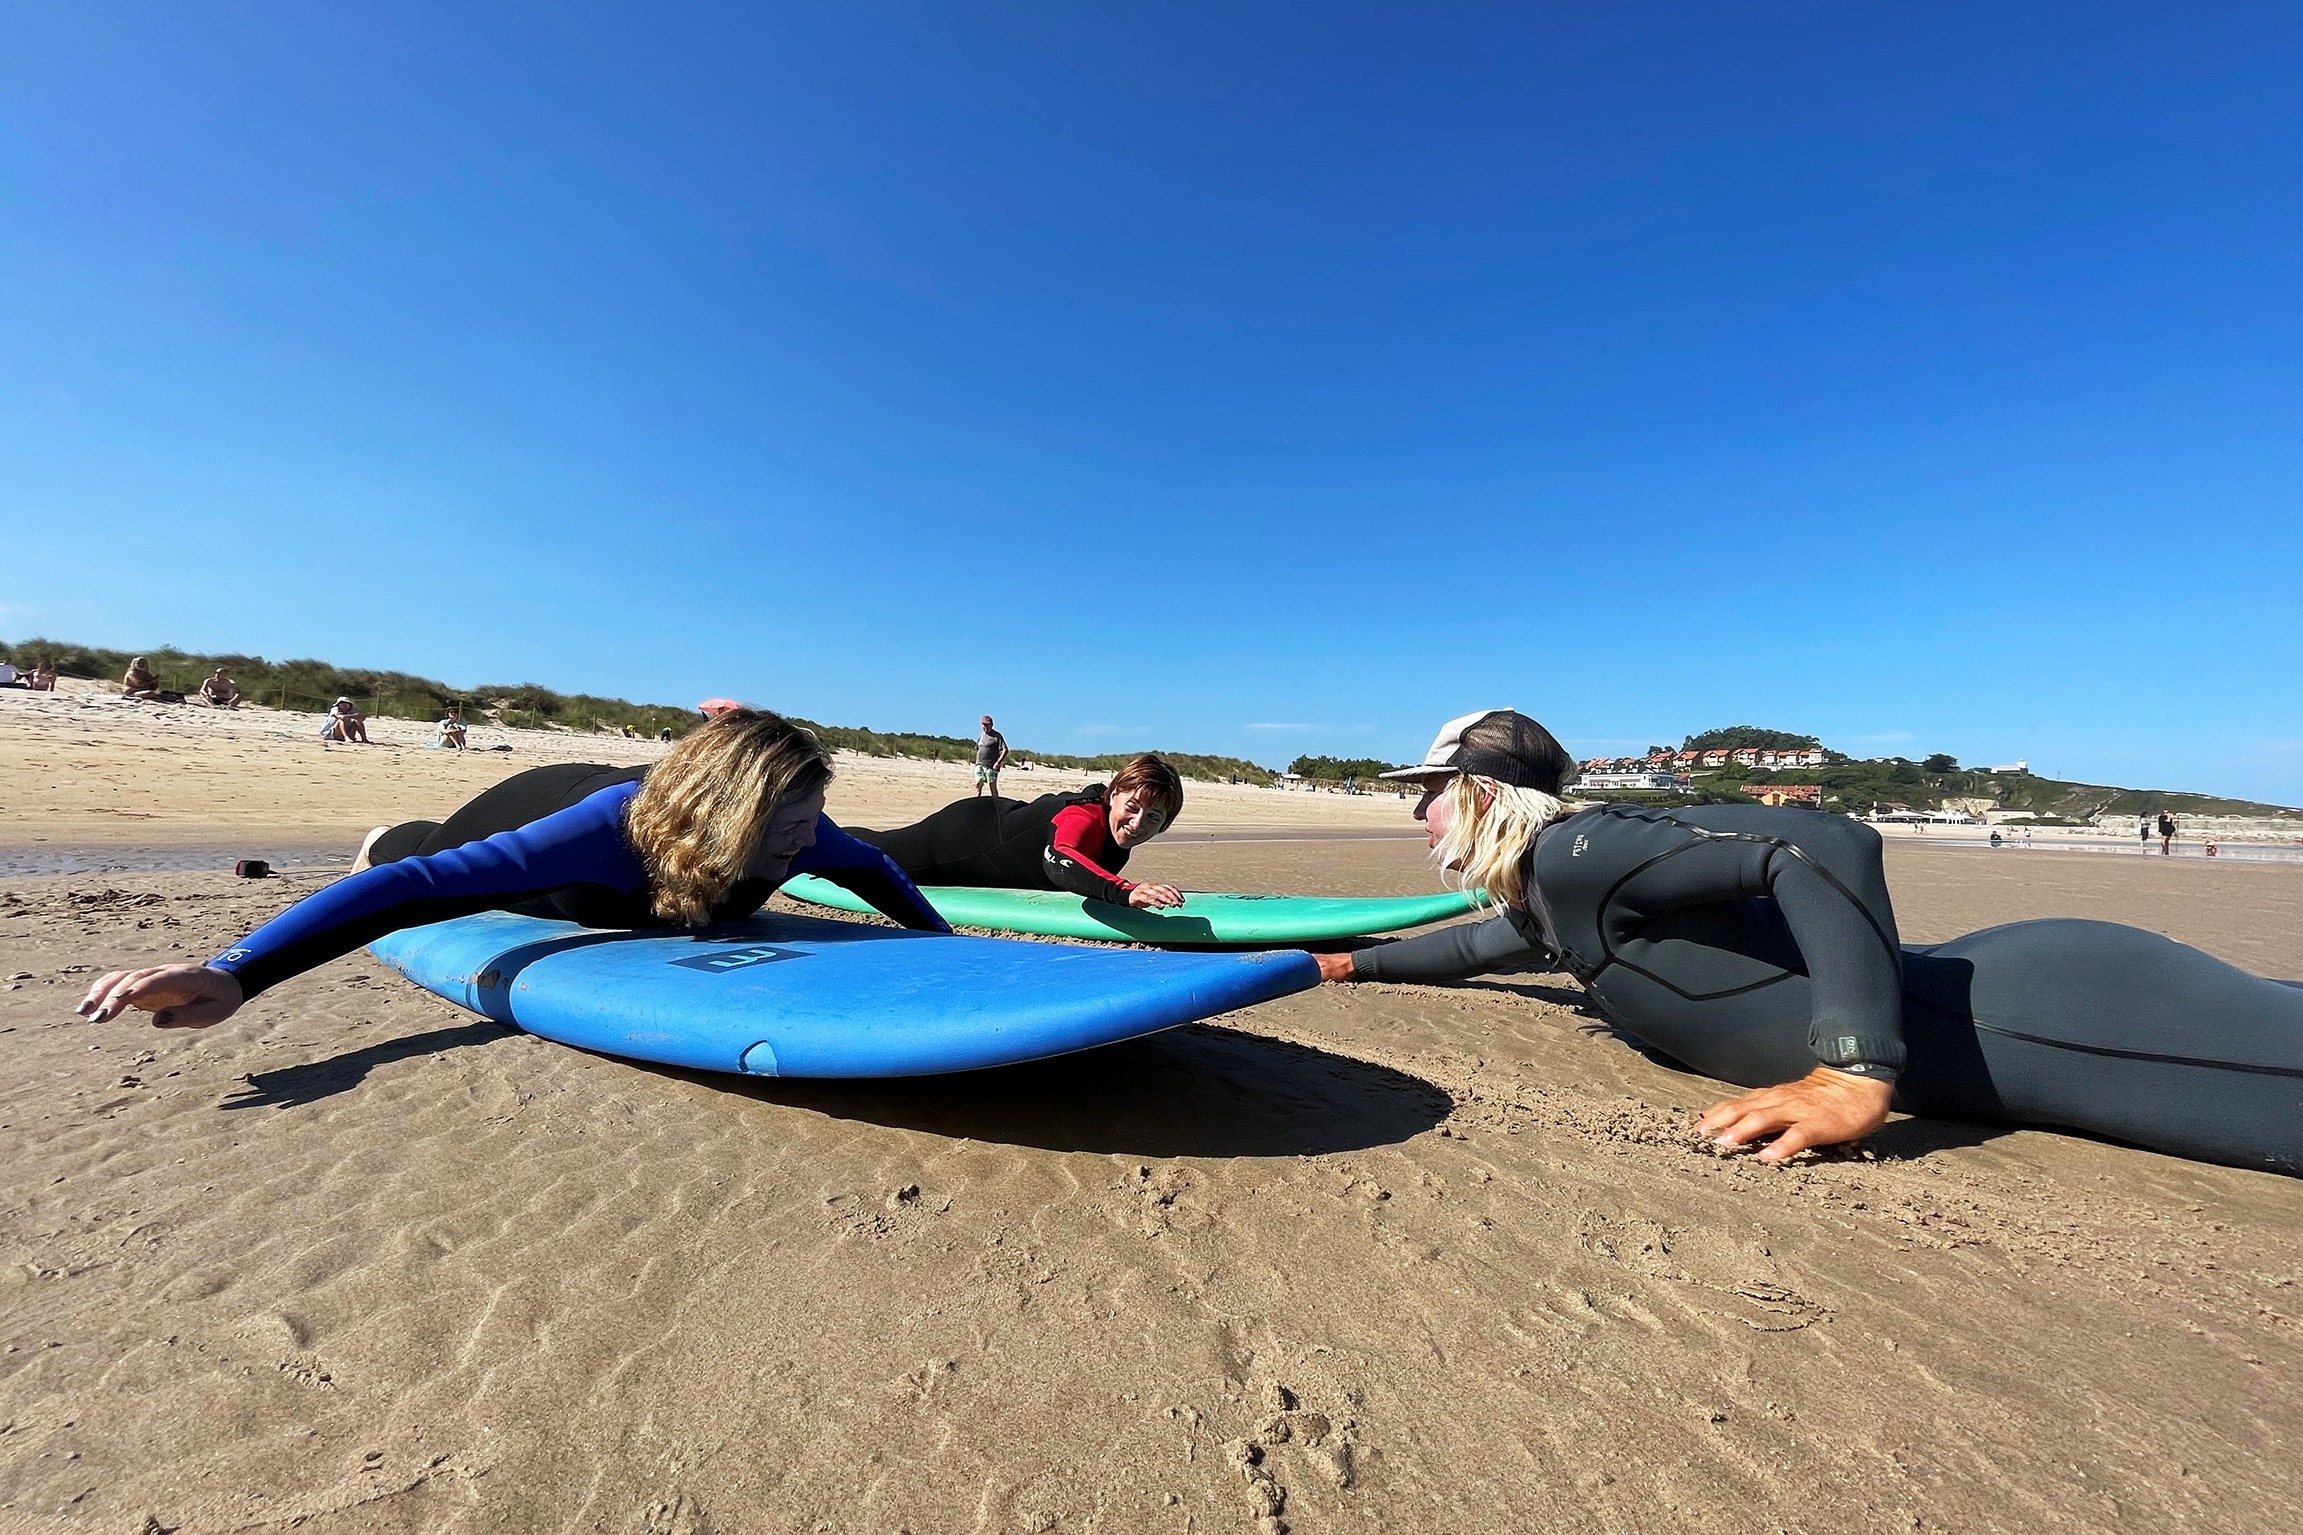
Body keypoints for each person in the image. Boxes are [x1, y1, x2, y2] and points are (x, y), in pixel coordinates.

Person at [1310, 709, 2301, 1175]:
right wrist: (1342, 962)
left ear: (1480, 790)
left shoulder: (1580, 847)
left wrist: (1851, 1067)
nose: (1416, 815)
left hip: (2040, 1019)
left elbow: (1819, 840)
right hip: (2001, 1015)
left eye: (1425, 794)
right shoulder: (1544, 894)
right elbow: (1479, 948)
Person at [76, 709, 951, 1031]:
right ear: (727, 819)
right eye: (790, 831)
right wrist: (236, 974)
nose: (808, 847)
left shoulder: (801, 831)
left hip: (661, 811)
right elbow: (406, 896)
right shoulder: (602, 835)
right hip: (539, 803)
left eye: (811, 825)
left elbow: (871, 865)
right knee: (433, 857)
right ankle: (388, 826)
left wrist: (940, 944)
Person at [855, 753, 1188, 911]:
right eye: (1132, 806)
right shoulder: (1084, 816)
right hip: (964, 839)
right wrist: (1124, 891)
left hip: (999, 826)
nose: (1138, 823)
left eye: (1153, 816)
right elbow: (1059, 860)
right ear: (1113, 795)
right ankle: (815, 838)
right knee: (875, 854)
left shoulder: (1116, 830)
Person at [974, 715, 1009, 798]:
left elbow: (1005, 750)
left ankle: (996, 804)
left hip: (991, 766)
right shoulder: (980, 736)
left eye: (987, 725)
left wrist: (998, 762)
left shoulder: (997, 736)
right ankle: (976, 803)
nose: (985, 727)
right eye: (983, 725)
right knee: (978, 784)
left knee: (992, 787)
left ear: (991, 725)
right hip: (980, 765)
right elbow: (978, 749)